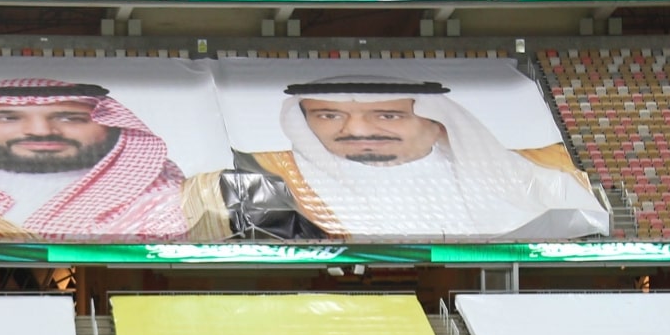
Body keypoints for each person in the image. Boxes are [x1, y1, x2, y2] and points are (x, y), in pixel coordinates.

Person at [0, 79, 313, 241]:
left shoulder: (199, 198)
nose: (40, 131)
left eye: (70, 117)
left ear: (111, 124)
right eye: (6, 117)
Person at [248, 76, 612, 240]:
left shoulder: (536, 171)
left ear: (437, 122)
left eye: (387, 115)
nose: (356, 130)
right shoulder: (268, 174)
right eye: (329, 115)